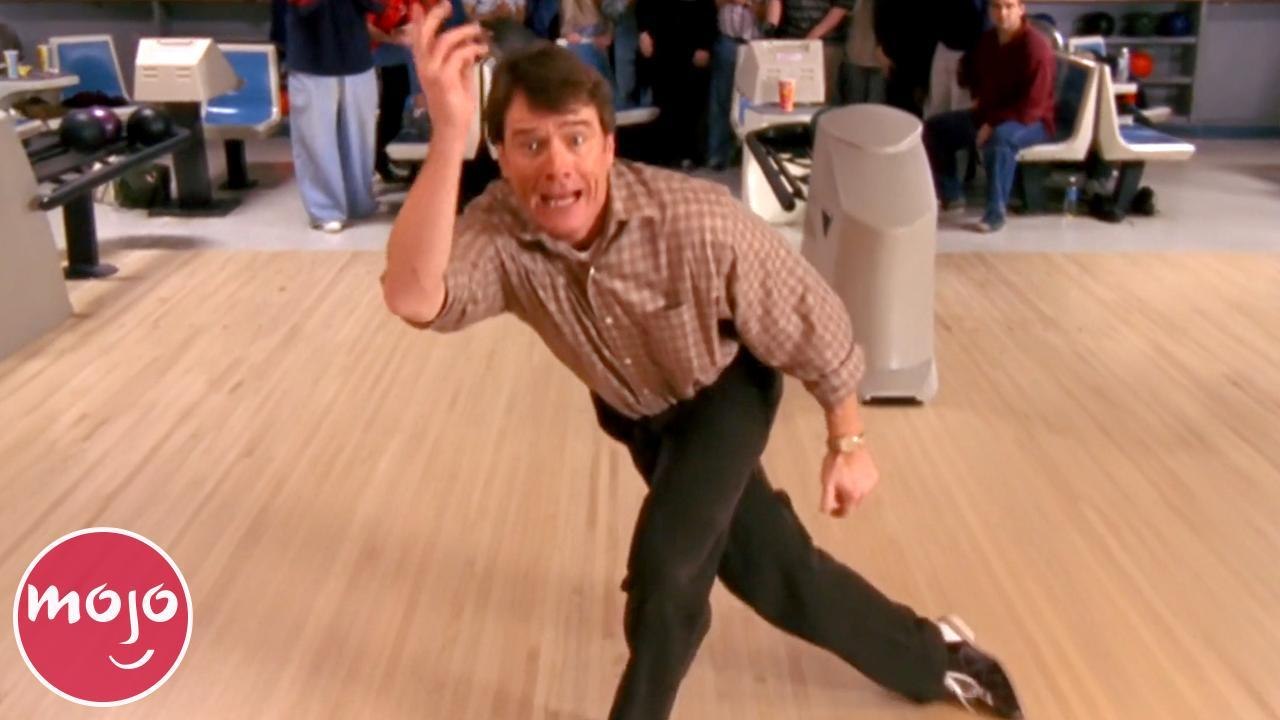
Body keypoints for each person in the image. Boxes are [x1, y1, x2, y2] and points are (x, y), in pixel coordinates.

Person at [382, 5, 1026, 719]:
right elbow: (413, 296)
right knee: (779, 576)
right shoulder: (502, 227)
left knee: (667, 573)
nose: (558, 165)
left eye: (576, 139)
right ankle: (937, 655)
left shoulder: (694, 221)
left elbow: (812, 318)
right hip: (642, 418)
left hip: (726, 394)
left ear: (609, 146)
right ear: (500, 156)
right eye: (531, 144)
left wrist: (848, 440)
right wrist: (448, 137)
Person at [923, 0, 1054, 233]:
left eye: (1009, 6)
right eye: (996, 7)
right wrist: (976, 95)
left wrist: (992, 123)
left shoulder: (1035, 46)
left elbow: (1032, 105)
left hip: (1032, 121)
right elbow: (970, 68)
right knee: (934, 129)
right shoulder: (989, 40)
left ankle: (995, 214)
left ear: (1021, 9)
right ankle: (952, 195)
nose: (1002, 13)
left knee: (1000, 139)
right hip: (991, 114)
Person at [285, 0, 380, 233]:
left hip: (356, 55)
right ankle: (325, 210)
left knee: (361, 139)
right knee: (317, 140)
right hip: (311, 57)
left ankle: (359, 201)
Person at [636, 0, 718, 168]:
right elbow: (643, 5)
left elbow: (708, 9)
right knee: (663, 100)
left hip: (692, 46)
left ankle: (689, 154)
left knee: (691, 103)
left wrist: (705, 45)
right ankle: (666, 154)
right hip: (661, 45)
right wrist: (643, 32)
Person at [706, 0, 765, 170]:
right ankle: (717, 155)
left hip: (755, 44)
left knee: (752, 102)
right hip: (727, 42)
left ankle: (748, 155)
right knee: (721, 100)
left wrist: (749, 3)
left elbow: (769, 9)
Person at [765, 0, 852, 105]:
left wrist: (811, 37)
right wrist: (770, 29)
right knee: (787, 95)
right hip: (789, 41)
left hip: (826, 44)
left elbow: (840, 7)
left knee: (820, 96)